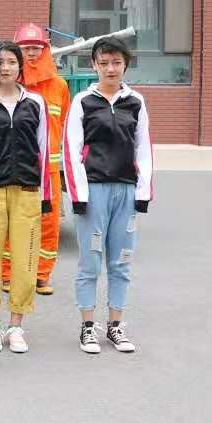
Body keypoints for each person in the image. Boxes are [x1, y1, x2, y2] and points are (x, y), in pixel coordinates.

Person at [63, 36, 153, 355]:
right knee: (90, 262)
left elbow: (143, 148)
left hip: (125, 190)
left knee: (121, 261)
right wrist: (79, 195)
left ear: (125, 65)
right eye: (104, 63)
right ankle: (88, 327)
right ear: (94, 65)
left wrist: (143, 192)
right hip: (94, 191)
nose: (110, 69)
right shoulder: (83, 101)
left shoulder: (136, 102)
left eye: (116, 62)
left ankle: (116, 326)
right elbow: (71, 149)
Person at [0, 41, 52, 354]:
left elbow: (43, 150)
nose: (6, 68)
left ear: (20, 66)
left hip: (27, 191)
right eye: (0, 62)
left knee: (25, 262)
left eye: (12, 62)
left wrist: (45, 196)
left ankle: (16, 325)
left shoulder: (36, 103)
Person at [0, 24, 71, 296]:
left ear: (45, 50)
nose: (31, 53)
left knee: (49, 222)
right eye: (26, 48)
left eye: (36, 48)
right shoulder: (9, 84)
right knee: (10, 221)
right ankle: (8, 274)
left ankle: (41, 275)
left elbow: (63, 123)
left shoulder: (59, 86)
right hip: (16, 166)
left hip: (48, 169)